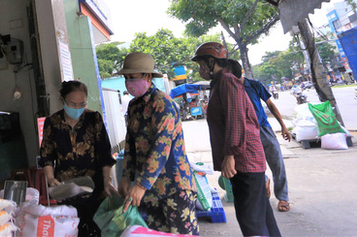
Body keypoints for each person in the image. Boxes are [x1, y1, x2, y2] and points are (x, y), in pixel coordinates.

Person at [192, 42, 281, 237]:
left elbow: (236, 120)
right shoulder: (219, 83)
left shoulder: (227, 81)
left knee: (250, 221)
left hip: (244, 160)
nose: (200, 69)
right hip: (244, 159)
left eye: (201, 63)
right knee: (261, 216)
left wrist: (230, 155)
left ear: (211, 61)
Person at [116, 52, 198, 235]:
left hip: (174, 187)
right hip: (149, 190)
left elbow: (161, 147)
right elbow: (130, 144)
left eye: (132, 77)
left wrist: (141, 184)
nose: (128, 83)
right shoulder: (134, 106)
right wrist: (126, 176)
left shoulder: (163, 104)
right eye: (126, 78)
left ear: (147, 76)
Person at [40, 80, 117, 237]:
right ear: (63, 101)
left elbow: (104, 153)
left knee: (97, 230)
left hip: (94, 186)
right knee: (74, 230)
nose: (77, 108)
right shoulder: (52, 122)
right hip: (66, 188)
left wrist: (107, 180)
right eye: (73, 104)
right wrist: (50, 177)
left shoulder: (93, 119)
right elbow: (46, 154)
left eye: (82, 104)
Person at [242, 75, 291, 212]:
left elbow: (270, 104)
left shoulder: (254, 85)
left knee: (277, 163)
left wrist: (283, 126)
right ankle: (264, 181)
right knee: (252, 164)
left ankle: (283, 198)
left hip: (264, 128)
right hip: (246, 132)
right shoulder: (231, 88)